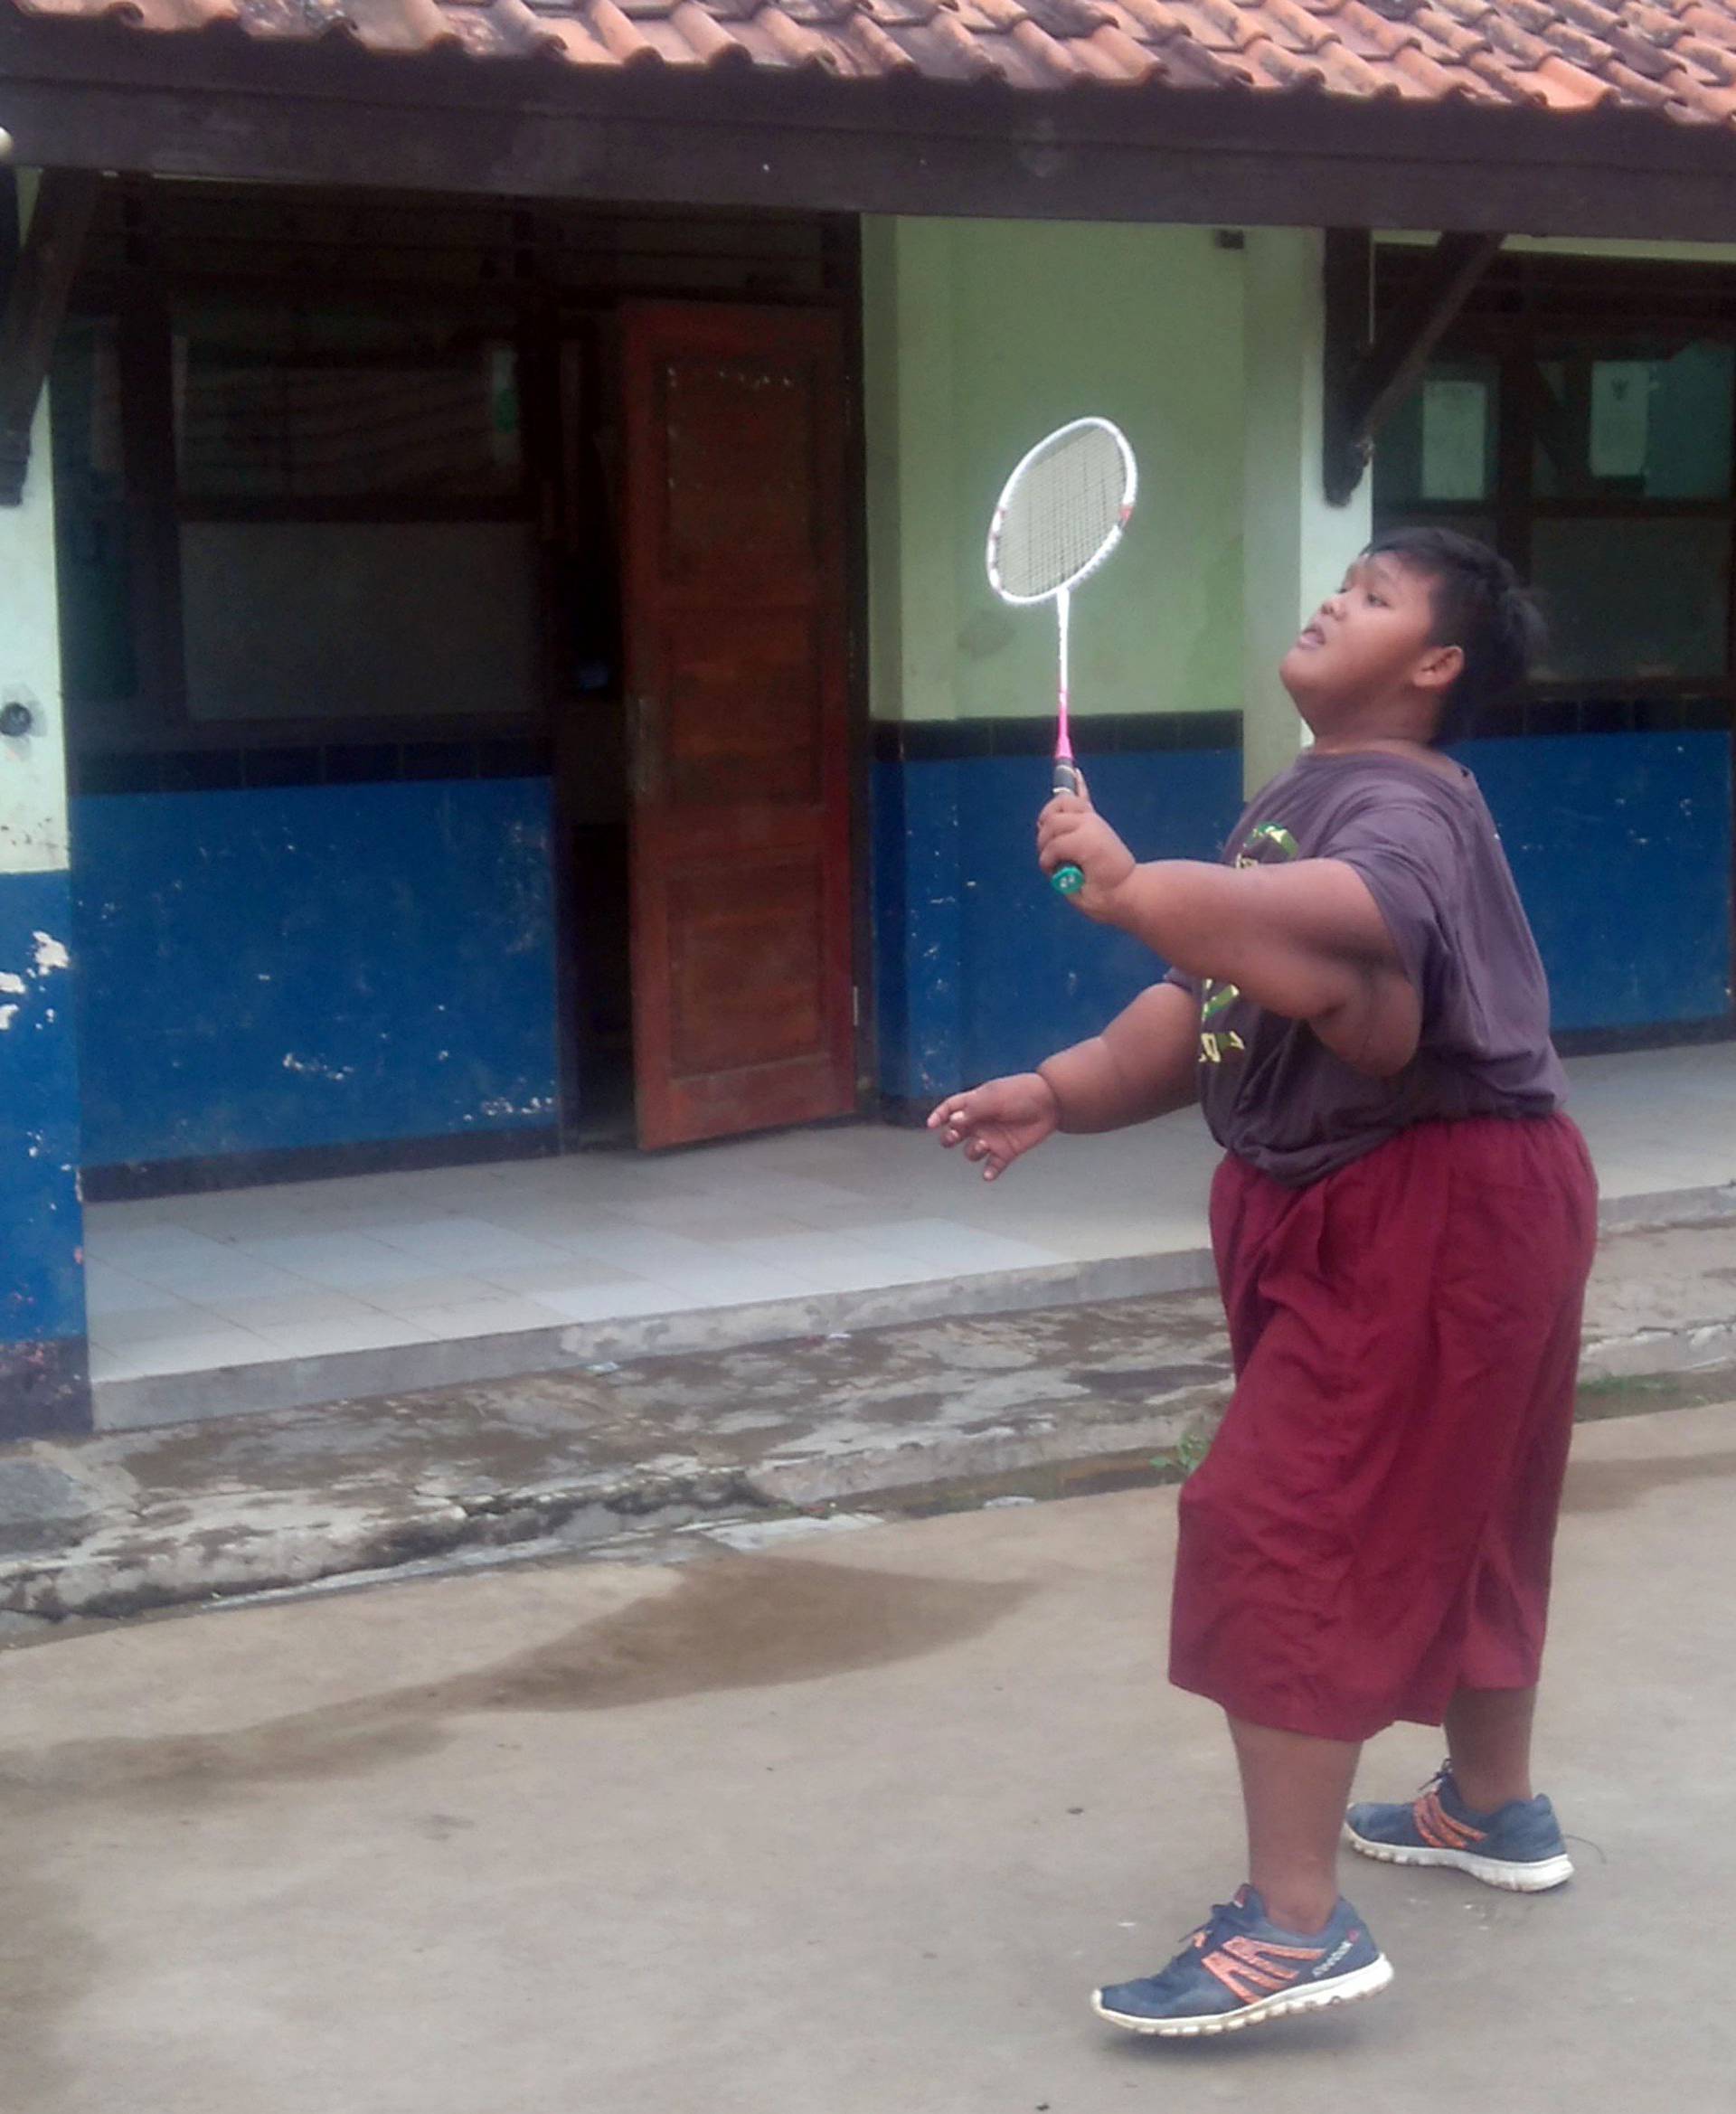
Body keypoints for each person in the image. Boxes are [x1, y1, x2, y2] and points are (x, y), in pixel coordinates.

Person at [928, 527, 1598, 2039]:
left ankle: (1295, 1924)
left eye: (1371, 597)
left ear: (1433, 667)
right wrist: (1062, 1087)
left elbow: (1349, 957)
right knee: (1471, 1494)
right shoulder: (1313, 798)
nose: (1329, 599)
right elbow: (1218, 989)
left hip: (1429, 1199)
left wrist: (1135, 881)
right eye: (1337, 581)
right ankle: (1490, 1804)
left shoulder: (1401, 807)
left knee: (1283, 1516)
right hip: (1466, 1193)